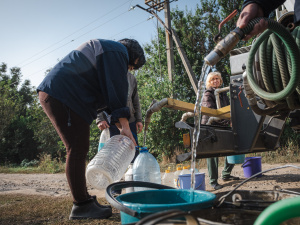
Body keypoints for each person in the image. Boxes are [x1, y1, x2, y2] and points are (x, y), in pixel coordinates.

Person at [37, 38, 145, 220]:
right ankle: (81, 206)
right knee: (77, 149)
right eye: (132, 67)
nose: (129, 71)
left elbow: (110, 98)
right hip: (63, 95)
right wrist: (125, 125)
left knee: (79, 148)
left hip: (62, 95)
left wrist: (122, 128)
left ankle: (85, 201)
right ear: (133, 57)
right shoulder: (117, 51)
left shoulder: (108, 51)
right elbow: (116, 90)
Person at [201, 71, 239, 190]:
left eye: (217, 79)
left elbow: (228, 109)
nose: (215, 81)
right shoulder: (208, 94)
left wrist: (231, 120)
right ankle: (213, 181)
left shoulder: (222, 94)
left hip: (222, 124)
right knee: (213, 153)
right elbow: (212, 111)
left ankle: (226, 174)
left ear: (220, 81)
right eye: (213, 79)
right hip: (210, 125)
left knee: (233, 146)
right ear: (209, 82)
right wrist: (226, 121)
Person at [96, 71, 143, 161]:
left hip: (131, 121)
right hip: (111, 122)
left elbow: (135, 101)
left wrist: (139, 120)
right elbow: (99, 98)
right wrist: (100, 118)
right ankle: (113, 174)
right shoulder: (108, 74)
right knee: (113, 154)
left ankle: (132, 173)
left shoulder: (132, 78)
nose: (131, 68)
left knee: (133, 150)